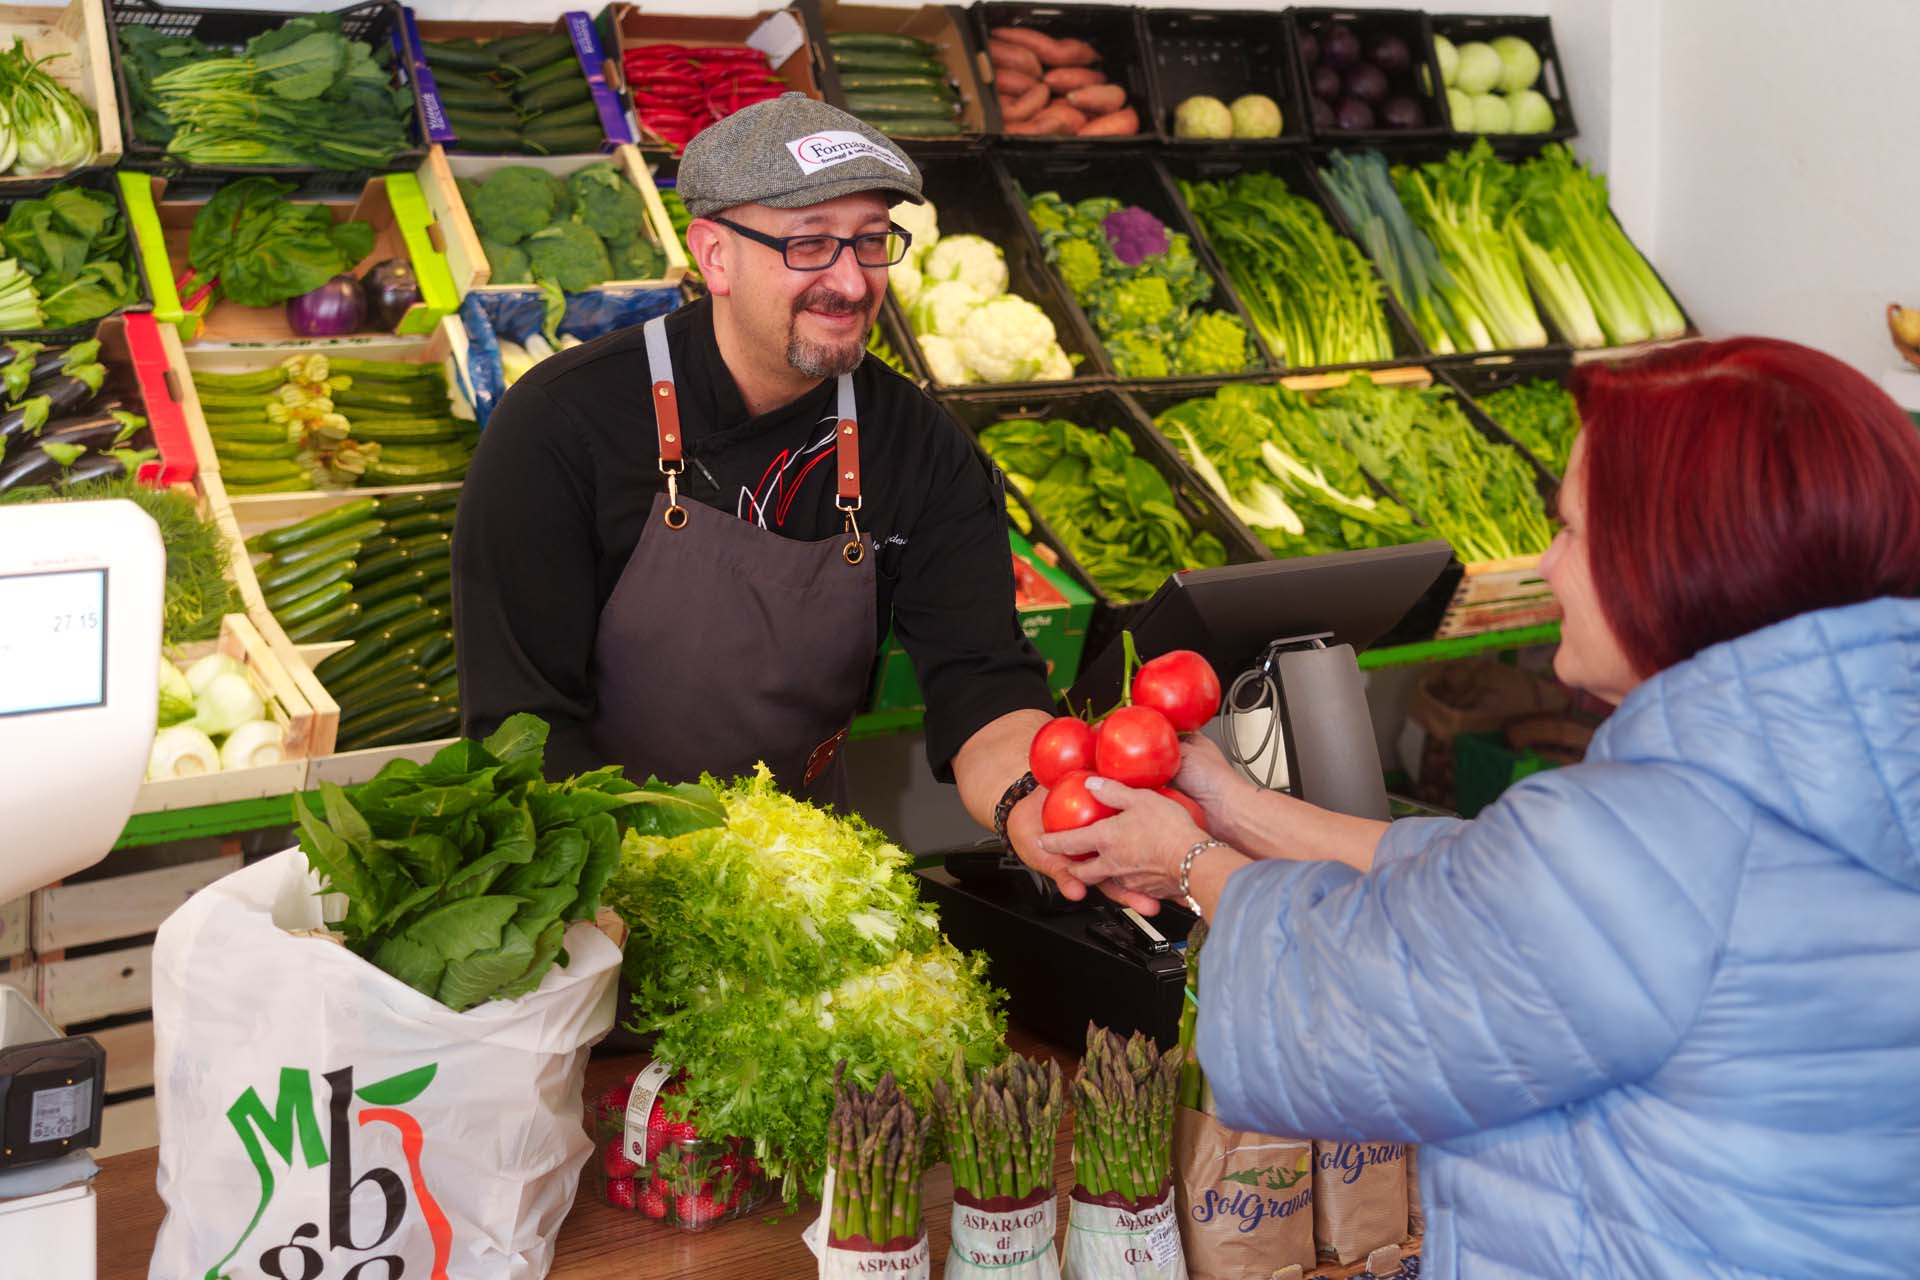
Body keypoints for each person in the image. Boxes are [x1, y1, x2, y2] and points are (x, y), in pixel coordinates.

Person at [1032, 337, 1920, 1278]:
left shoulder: (1651, 830)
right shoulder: (1841, 761)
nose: (1548, 563)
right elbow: (1494, 886)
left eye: (1571, 530)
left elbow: (1362, 1008)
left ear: (1675, 563)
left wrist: (1183, 864)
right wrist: (1236, 809)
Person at [453, 96, 1054, 861]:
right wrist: (618, 881)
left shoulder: (918, 446)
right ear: (714, 256)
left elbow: (984, 680)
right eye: (810, 244)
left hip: (796, 870)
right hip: (594, 859)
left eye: (872, 242)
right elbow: (519, 726)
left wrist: (1035, 805)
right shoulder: (562, 424)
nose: (852, 282)